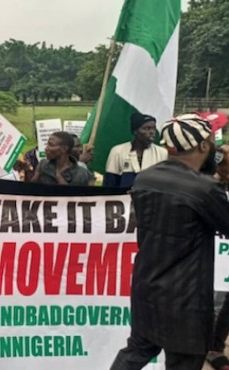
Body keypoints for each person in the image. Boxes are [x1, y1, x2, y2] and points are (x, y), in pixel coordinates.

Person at [110, 114, 229, 370]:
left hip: (146, 286)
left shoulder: (146, 177)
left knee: (136, 350)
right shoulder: (205, 189)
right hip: (187, 299)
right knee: (184, 361)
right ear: (203, 146)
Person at [104, 112, 168, 187]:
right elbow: (110, 183)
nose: (152, 132)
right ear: (135, 131)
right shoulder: (118, 151)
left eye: (153, 128)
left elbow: (165, 183)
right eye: (146, 128)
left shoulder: (162, 153)